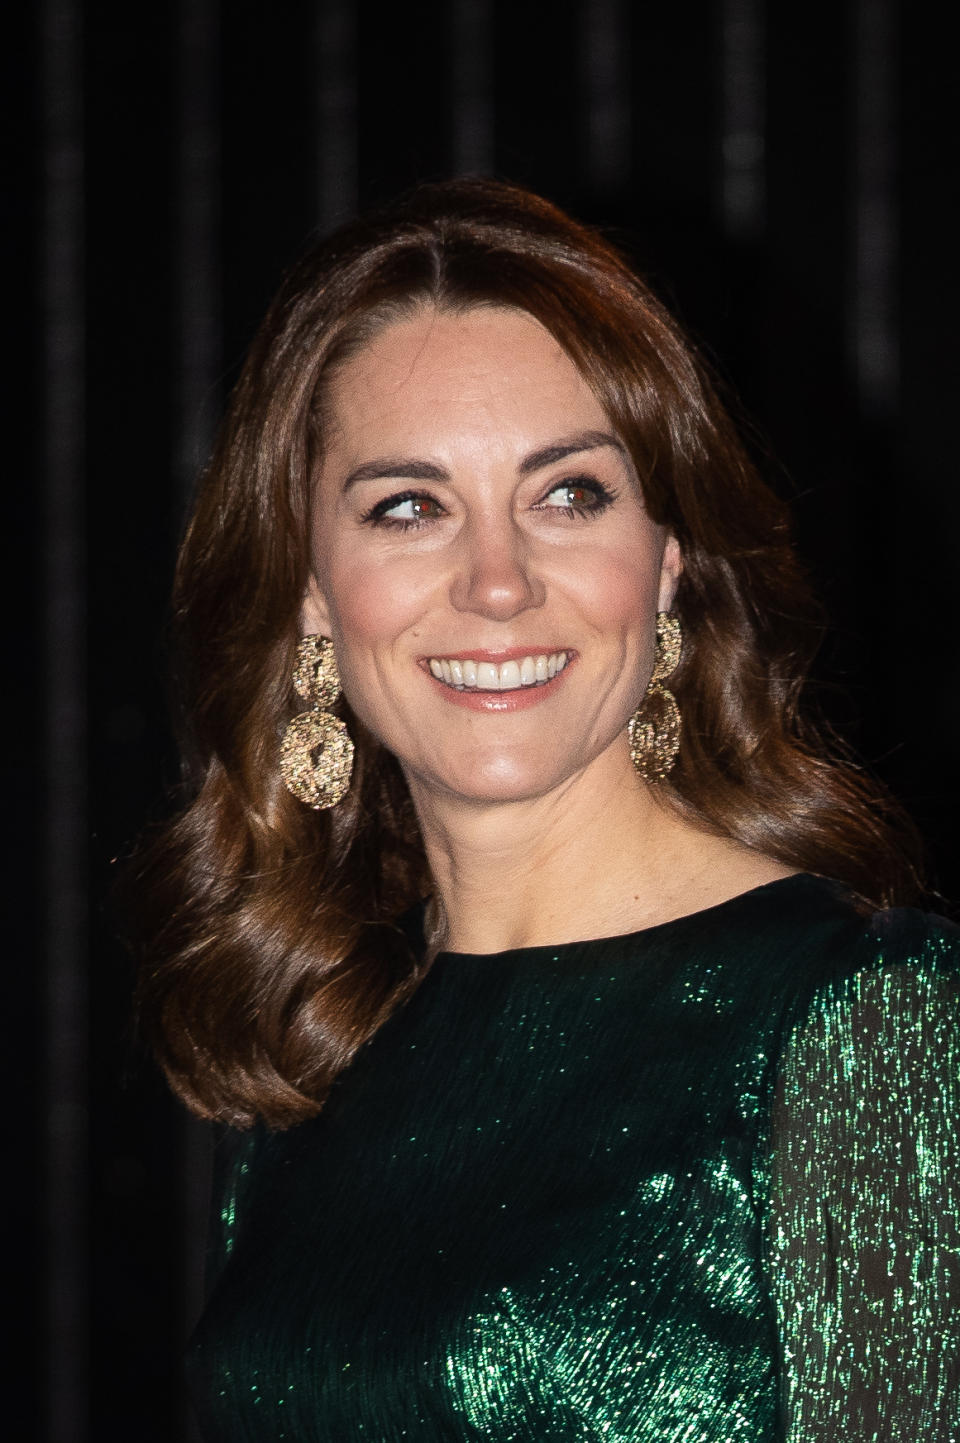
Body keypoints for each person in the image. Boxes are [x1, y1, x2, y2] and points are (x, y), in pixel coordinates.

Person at [128, 179, 960, 1440]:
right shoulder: (320, 1059)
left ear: (667, 556)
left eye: (568, 494)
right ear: (310, 587)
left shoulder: (863, 1014)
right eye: (408, 507)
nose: (499, 583)